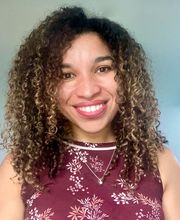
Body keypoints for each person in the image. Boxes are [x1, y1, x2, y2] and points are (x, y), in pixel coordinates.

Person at [0, 6, 180, 220]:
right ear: (42, 87)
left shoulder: (159, 160)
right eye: (66, 75)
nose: (88, 90)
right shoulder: (21, 166)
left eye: (102, 69)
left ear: (126, 75)